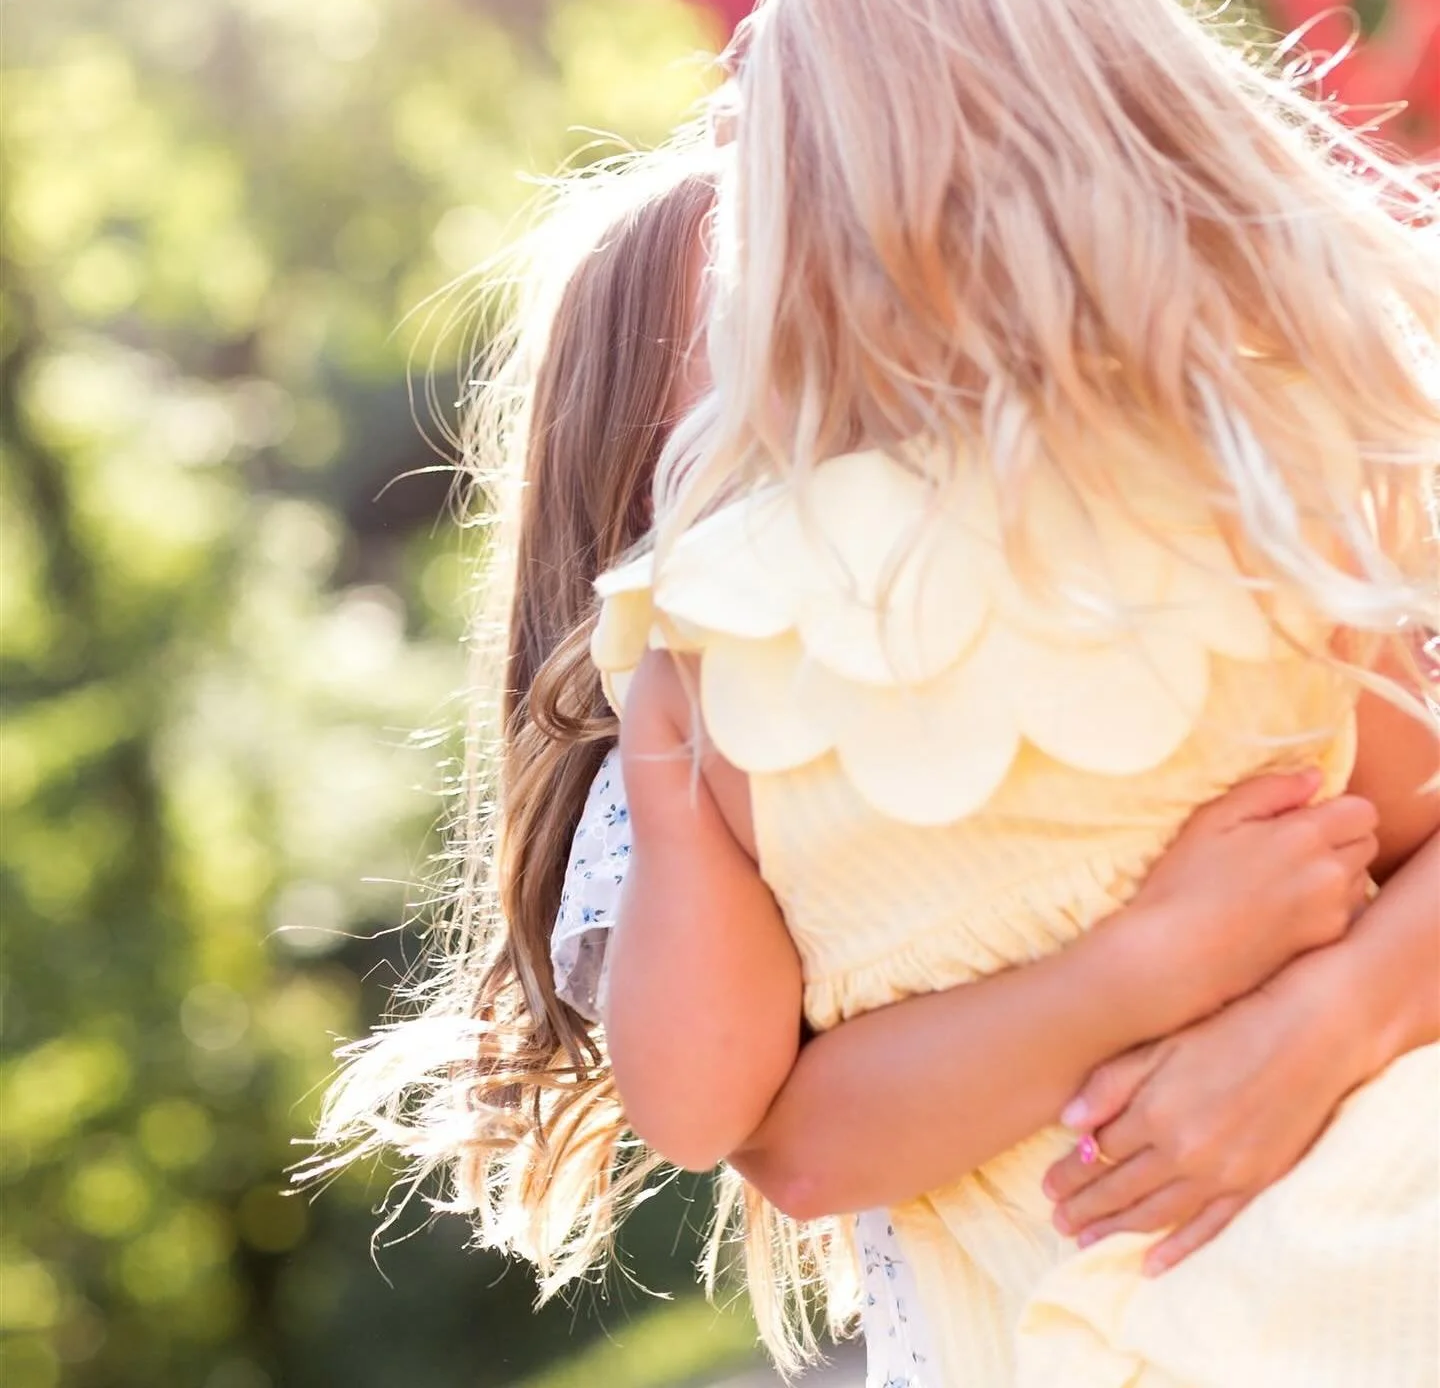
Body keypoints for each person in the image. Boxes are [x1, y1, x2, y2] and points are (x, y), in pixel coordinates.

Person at [307, 112, 1428, 1384]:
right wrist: (1138, 968)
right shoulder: (694, 760)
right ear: (641, 473)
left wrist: (1332, 999)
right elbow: (727, 1118)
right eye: (776, 337)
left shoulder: (1119, 579)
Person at [593, 0, 1440, 1385]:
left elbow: (711, 1111)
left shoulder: (719, 638)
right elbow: (1401, 816)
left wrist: (669, 801)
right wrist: (1206, 967)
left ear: (783, 216)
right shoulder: (1246, 495)